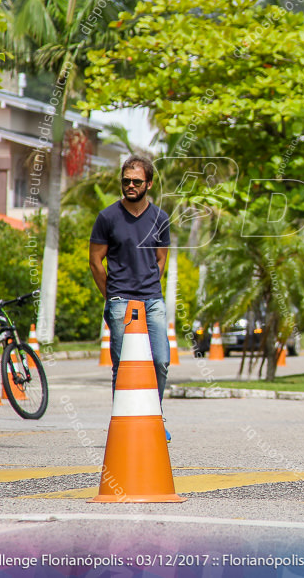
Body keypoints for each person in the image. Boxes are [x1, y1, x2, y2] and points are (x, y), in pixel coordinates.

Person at [89, 156, 173, 442]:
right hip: (120, 300)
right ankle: (122, 422)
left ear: (149, 183)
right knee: (122, 365)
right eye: (126, 181)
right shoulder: (107, 217)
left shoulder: (160, 218)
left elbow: (161, 261)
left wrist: (147, 284)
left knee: (161, 360)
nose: (130, 185)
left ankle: (155, 414)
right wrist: (112, 294)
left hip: (152, 300)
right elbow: (95, 262)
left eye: (137, 181)